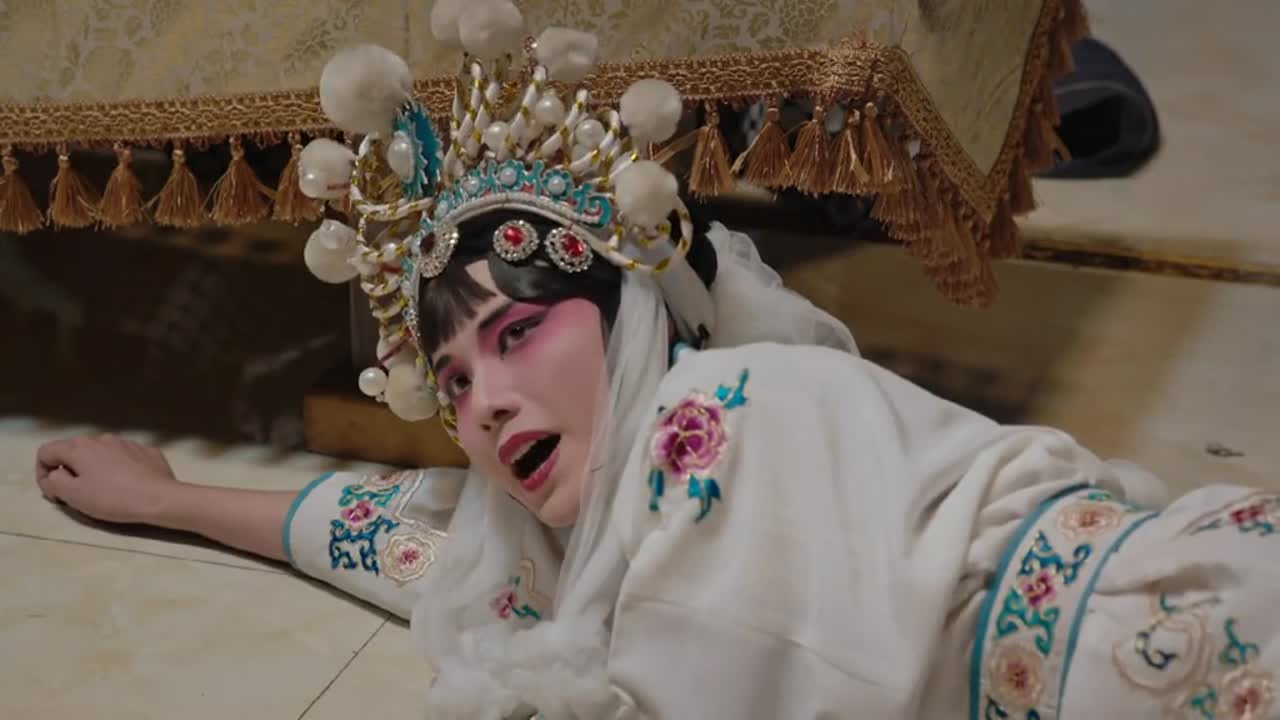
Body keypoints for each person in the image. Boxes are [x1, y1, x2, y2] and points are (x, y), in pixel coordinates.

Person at [33, 4, 1279, 718]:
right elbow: (412, 541)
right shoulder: (595, 522)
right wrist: (171, 500)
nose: (484, 405)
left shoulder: (729, 407)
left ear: (630, 323)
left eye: (516, 334)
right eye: (453, 381)